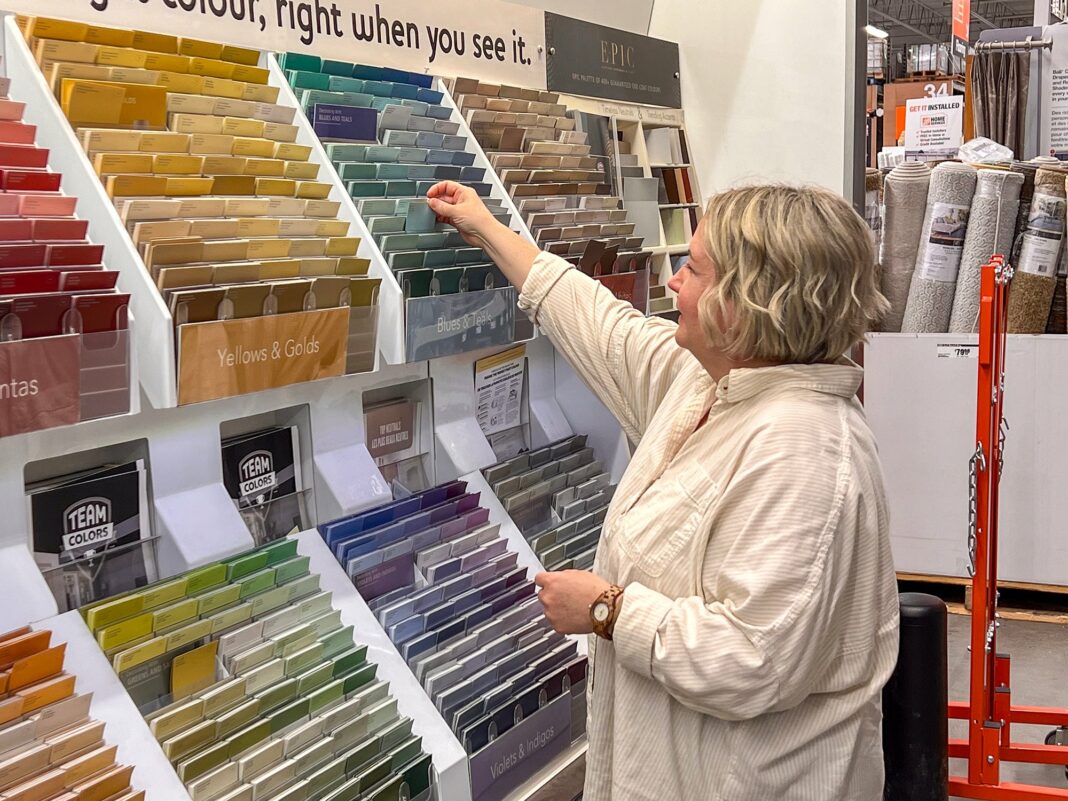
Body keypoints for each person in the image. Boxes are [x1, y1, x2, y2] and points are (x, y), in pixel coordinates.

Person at [426, 180, 900, 801]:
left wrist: (608, 611)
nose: (674, 281)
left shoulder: (807, 452)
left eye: (694, 269)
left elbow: (753, 661)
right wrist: (486, 228)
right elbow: (601, 326)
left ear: (750, 300)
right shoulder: (710, 382)